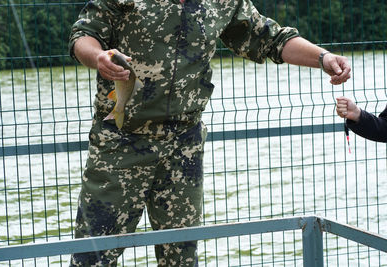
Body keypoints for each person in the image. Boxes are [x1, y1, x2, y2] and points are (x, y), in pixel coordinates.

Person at [68, 1, 351, 266]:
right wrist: (98, 57)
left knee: (181, 257)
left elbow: (271, 38)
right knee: (93, 256)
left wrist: (322, 57)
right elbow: (83, 35)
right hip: (120, 142)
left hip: (184, 146)